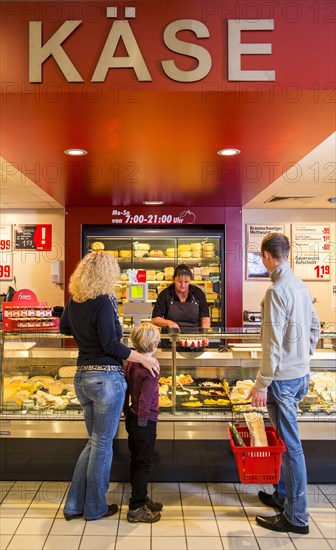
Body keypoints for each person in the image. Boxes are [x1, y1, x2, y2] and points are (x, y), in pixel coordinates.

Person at [60, 251, 159, 522]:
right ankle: (94, 507)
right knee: (102, 444)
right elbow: (111, 346)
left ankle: (72, 506)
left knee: (93, 443)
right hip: (105, 379)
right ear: (107, 274)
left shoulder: (75, 298)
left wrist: (85, 333)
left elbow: (64, 328)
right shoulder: (103, 300)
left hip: (82, 378)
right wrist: (143, 358)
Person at [247, 233, 320, 535]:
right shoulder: (301, 286)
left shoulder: (276, 291)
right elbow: (315, 326)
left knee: (290, 449)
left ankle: (297, 517)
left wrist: (261, 384)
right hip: (299, 375)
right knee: (285, 444)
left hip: (282, 381)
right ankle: (281, 496)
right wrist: (304, 354)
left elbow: (272, 344)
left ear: (265, 255)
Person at [124, 322, 162, 523]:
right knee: (144, 464)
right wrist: (143, 422)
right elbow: (147, 399)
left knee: (136, 460)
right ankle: (136, 507)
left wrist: (128, 414)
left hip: (132, 416)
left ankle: (141, 496)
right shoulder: (152, 366)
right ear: (154, 344)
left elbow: (127, 390)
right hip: (144, 420)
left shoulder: (131, 362)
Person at [151, 264, 210, 333]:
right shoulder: (165, 294)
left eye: (186, 282)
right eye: (179, 282)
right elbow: (155, 319)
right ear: (174, 279)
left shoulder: (198, 293)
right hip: (171, 338)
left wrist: (205, 335)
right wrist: (169, 323)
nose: (183, 285)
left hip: (194, 338)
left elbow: (205, 317)